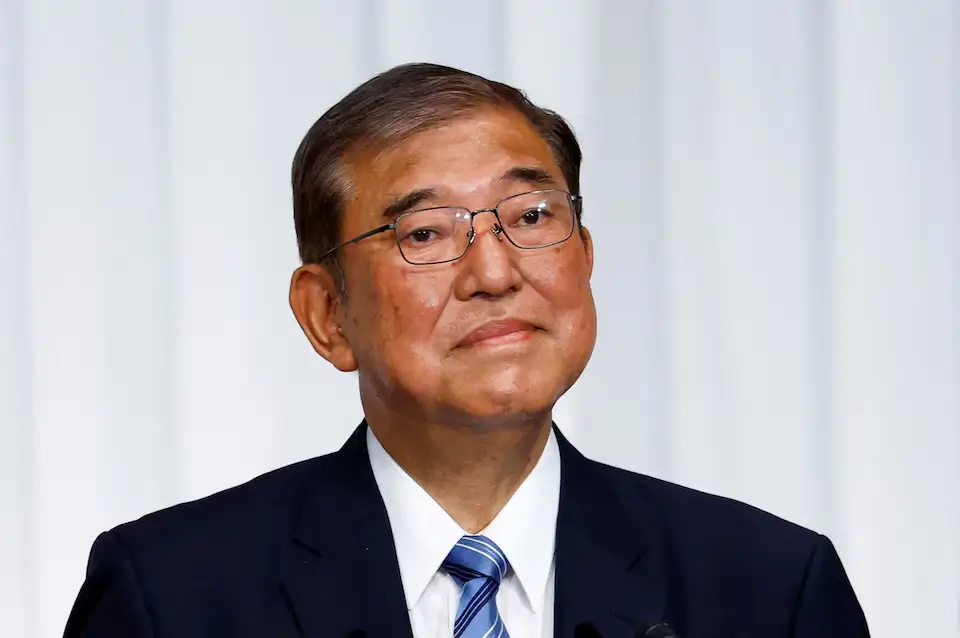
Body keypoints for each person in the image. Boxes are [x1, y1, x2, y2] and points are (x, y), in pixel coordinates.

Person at [64, 62, 869, 638]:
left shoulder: (768, 589)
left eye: (529, 216)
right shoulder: (172, 596)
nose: (494, 271)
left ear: (584, 256)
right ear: (327, 316)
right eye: (424, 233)